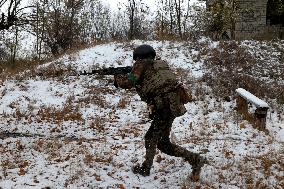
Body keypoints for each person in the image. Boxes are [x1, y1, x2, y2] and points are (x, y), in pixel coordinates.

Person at [114, 44, 208, 181]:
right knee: (162, 143)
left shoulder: (140, 65)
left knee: (152, 138)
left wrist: (117, 77)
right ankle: (194, 159)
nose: (135, 62)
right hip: (172, 104)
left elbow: (128, 82)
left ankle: (148, 168)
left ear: (139, 56)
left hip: (163, 106)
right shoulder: (160, 64)